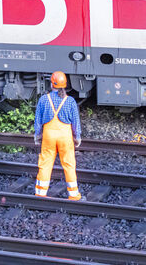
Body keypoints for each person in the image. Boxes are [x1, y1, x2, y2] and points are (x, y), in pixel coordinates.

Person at [34, 71, 83, 201]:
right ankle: (73, 195)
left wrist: (37, 136)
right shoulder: (70, 101)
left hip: (49, 136)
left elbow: (38, 120)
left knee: (45, 163)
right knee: (69, 164)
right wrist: (77, 136)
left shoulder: (44, 99)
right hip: (65, 137)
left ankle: (40, 193)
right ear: (65, 85)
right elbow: (75, 121)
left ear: (52, 84)